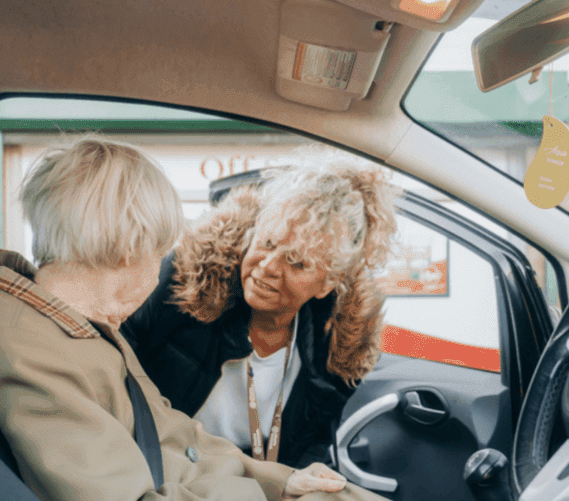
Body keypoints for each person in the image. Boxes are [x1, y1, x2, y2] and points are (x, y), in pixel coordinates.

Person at [0, 135, 503, 501]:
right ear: (132, 248)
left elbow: (175, 434)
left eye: (295, 263)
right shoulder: (32, 346)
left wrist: (281, 481)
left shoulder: (81, 331)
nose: (160, 269)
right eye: (158, 251)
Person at [122, 162, 394, 468]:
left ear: (328, 283)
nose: (267, 267)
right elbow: (114, 370)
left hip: (256, 486)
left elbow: (312, 443)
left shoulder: (336, 348)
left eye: (296, 262)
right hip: (158, 464)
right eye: (266, 243)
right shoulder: (184, 283)